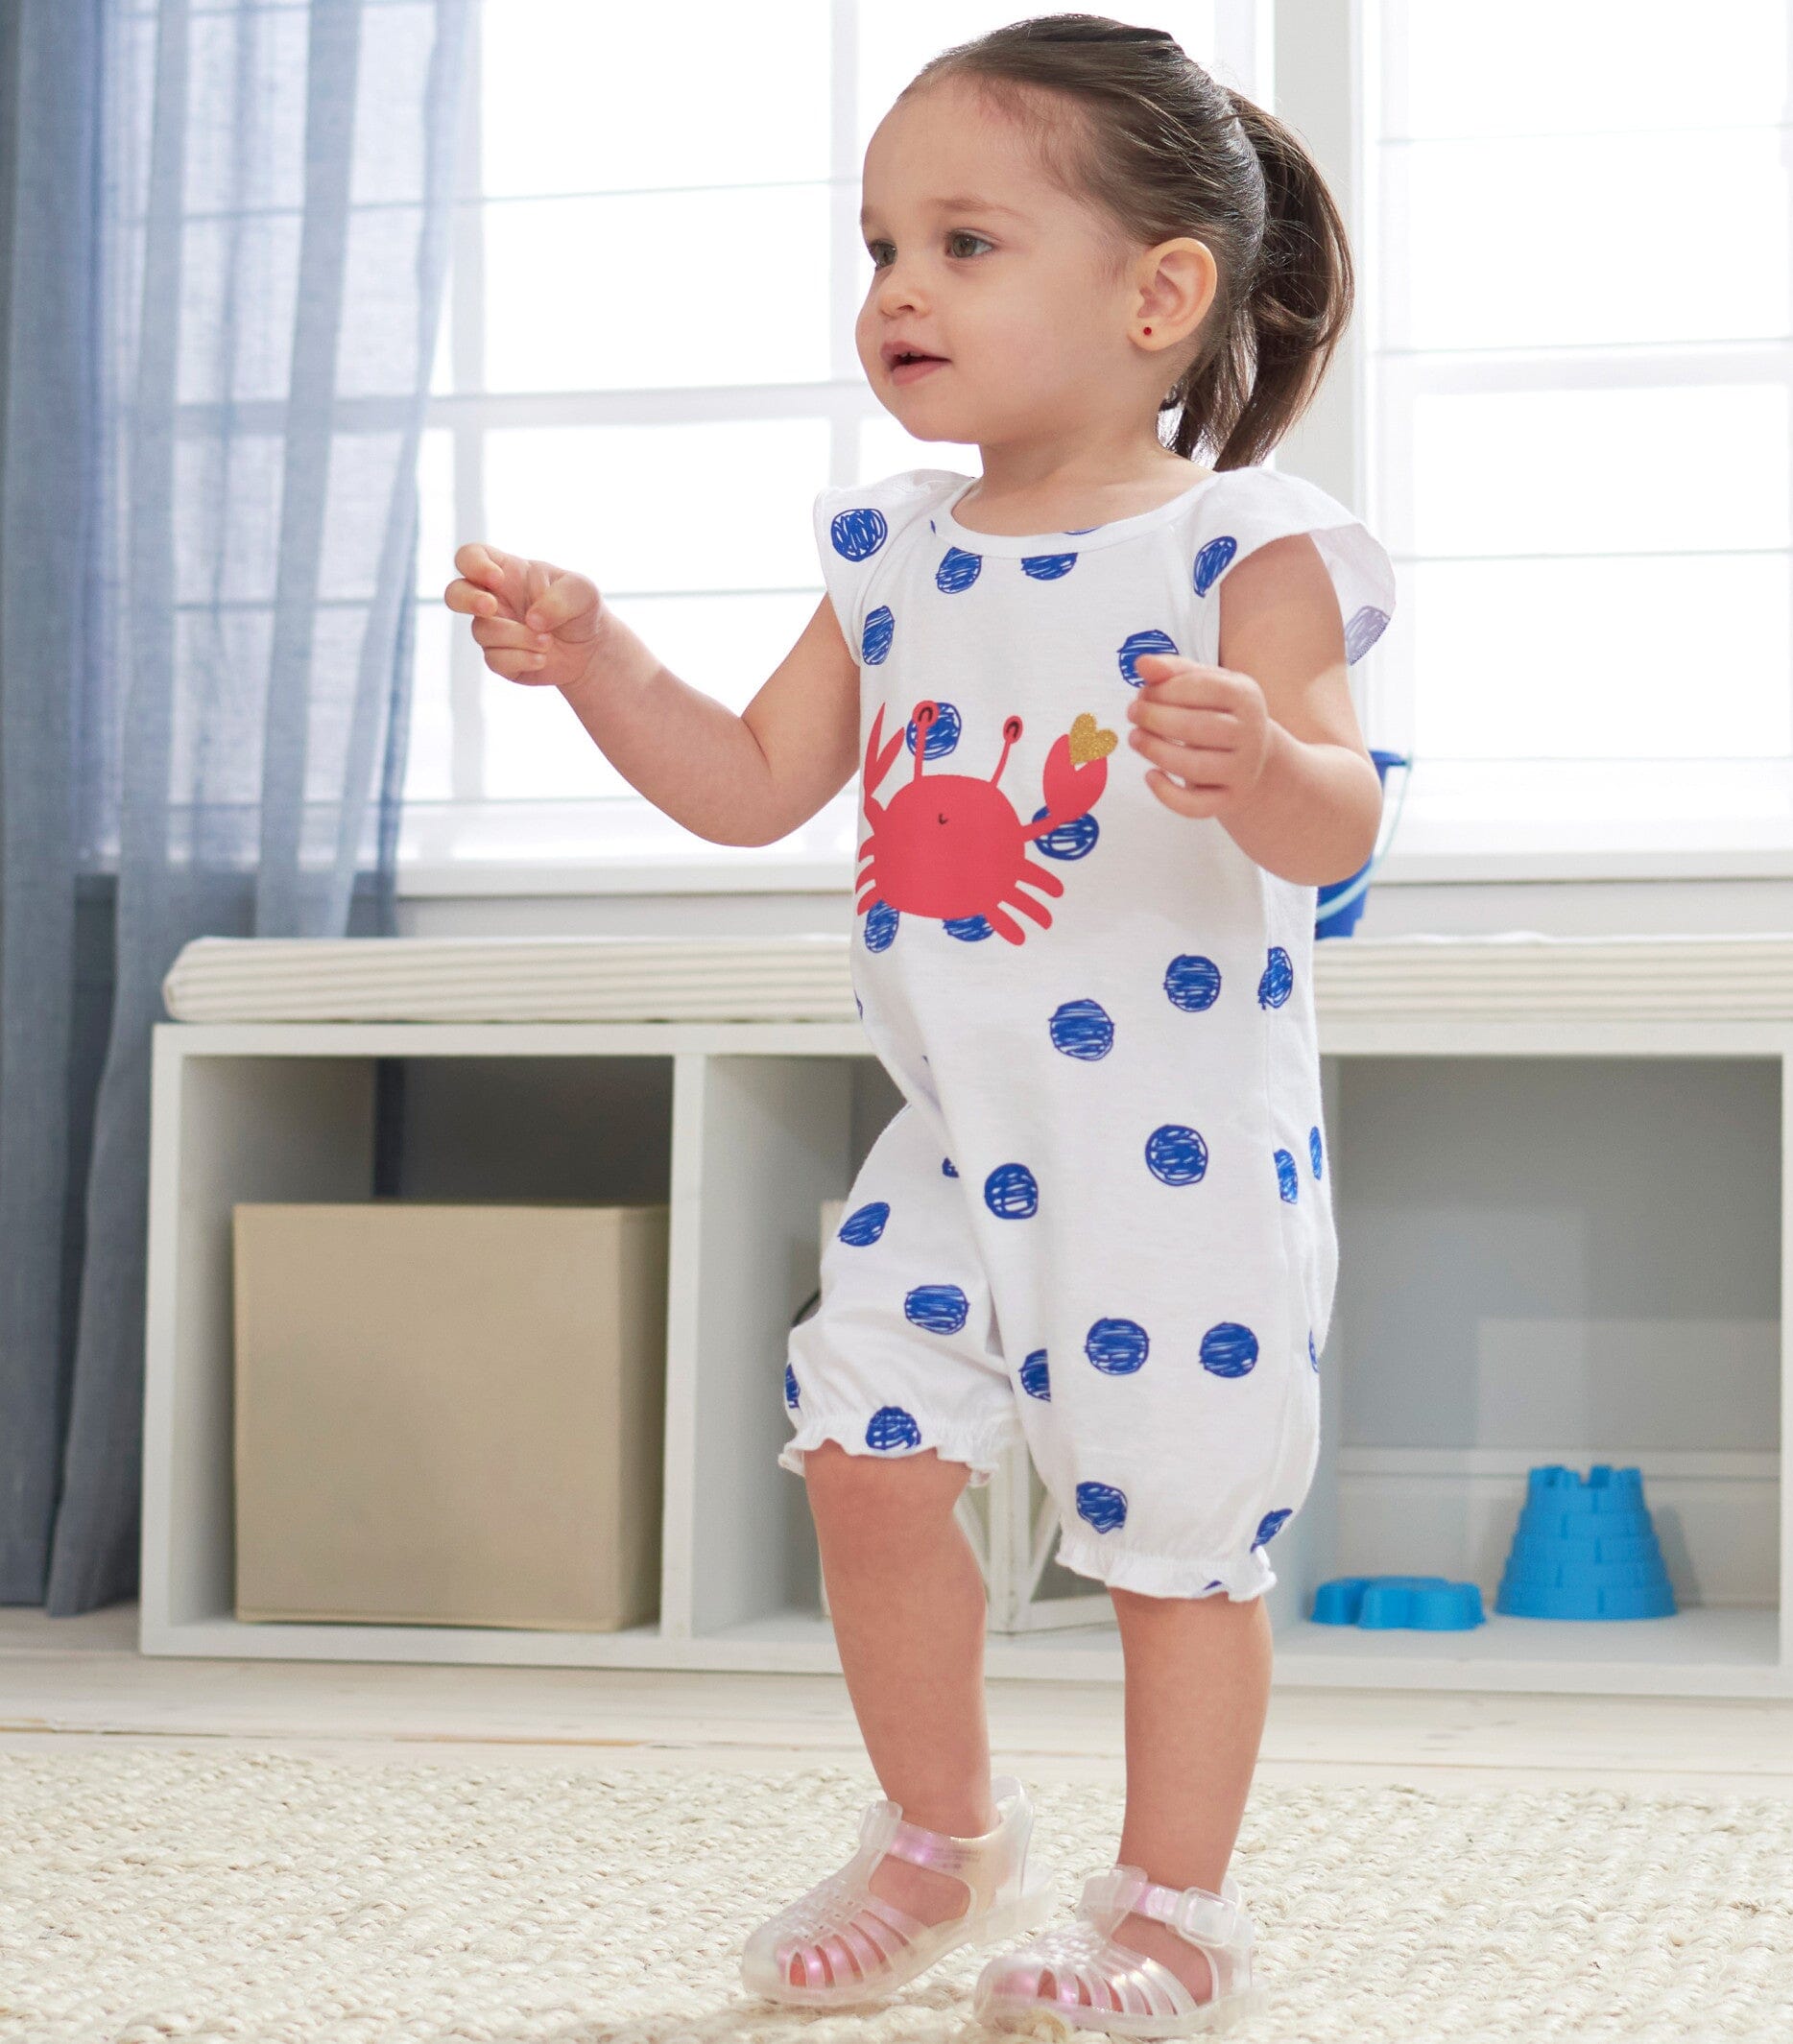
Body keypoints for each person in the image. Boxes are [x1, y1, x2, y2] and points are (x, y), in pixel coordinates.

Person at [444, 15, 1395, 2032]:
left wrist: (1261, 763)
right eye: (879, 248)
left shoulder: (1243, 546)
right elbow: (746, 784)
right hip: (956, 1134)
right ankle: (941, 1840)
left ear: (1159, 295)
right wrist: (601, 662)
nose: (897, 291)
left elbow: (1340, 820)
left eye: (964, 244)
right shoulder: (889, 550)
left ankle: (1171, 1916)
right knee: (863, 1458)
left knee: (1174, 1540)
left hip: (1173, 1159)